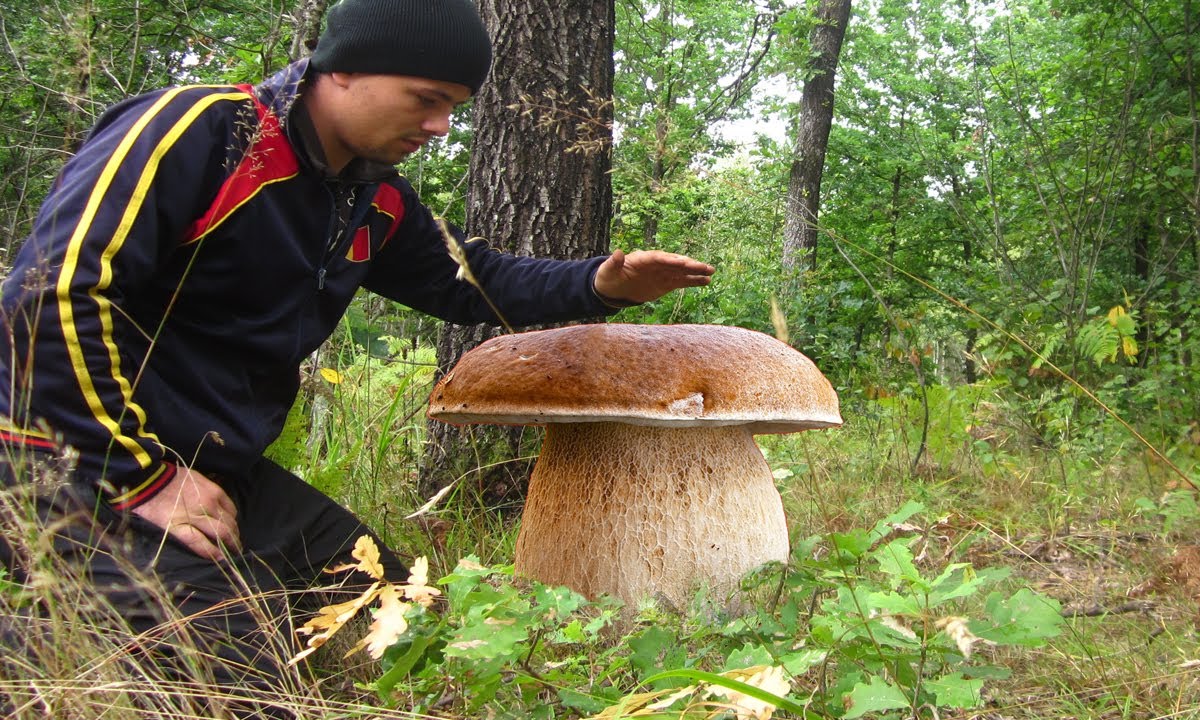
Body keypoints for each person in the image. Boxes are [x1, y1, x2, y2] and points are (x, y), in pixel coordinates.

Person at [0, 0, 713, 714]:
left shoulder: (372, 199)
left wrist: (600, 282)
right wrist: (141, 480)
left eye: (454, 108)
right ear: (342, 68)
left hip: (215, 467)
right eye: (426, 99)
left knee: (407, 621)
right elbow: (47, 296)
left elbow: (471, 281)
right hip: (64, 459)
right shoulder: (203, 135)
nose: (439, 127)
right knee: (243, 688)